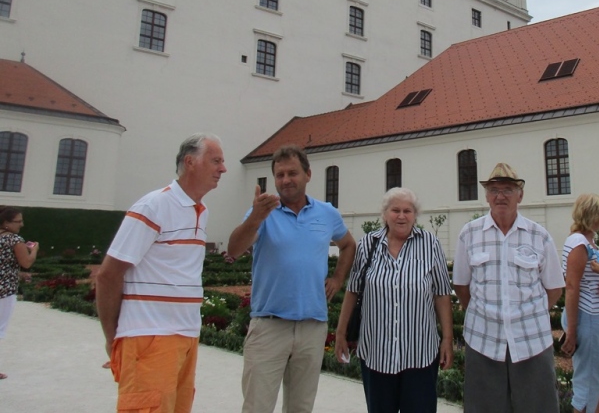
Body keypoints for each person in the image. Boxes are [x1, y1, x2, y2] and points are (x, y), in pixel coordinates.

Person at [96, 133, 227, 413]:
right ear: (190, 162)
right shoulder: (153, 206)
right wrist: (113, 337)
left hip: (186, 336)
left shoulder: (201, 211)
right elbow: (108, 275)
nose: (223, 169)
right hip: (150, 337)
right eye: (216, 161)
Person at [227, 144, 356, 413]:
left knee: (301, 407)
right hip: (269, 326)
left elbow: (348, 245)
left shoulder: (327, 213)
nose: (285, 180)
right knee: (257, 407)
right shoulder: (263, 212)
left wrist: (337, 279)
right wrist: (255, 218)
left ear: (308, 174)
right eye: (280, 175)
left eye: (292, 173)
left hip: (312, 326)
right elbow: (234, 249)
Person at [453, 163, 564, 413]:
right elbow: (461, 285)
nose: (500, 196)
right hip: (483, 340)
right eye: (494, 190)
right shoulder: (469, 234)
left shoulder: (539, 235)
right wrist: (484, 313)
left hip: (531, 342)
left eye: (508, 190)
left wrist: (530, 313)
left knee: (538, 408)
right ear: (486, 196)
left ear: (520, 195)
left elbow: (555, 288)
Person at [334, 187, 453, 413]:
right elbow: (353, 290)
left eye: (407, 211)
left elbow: (441, 293)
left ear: (415, 215)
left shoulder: (430, 244)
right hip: (377, 353)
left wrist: (447, 338)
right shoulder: (368, 244)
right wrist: (340, 333)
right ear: (384, 214)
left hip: (419, 354)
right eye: (395, 210)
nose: (401, 216)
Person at [561, 194, 599, 413]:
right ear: (594, 216)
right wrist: (572, 331)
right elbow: (572, 286)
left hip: (592, 318)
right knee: (588, 384)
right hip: (587, 317)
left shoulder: (586, 242)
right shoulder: (579, 243)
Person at [0, 206, 38, 380]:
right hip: (5, 290)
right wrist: (34, 250)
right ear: (6, 223)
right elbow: (26, 262)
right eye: (18, 221)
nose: (21, 224)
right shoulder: (14, 239)